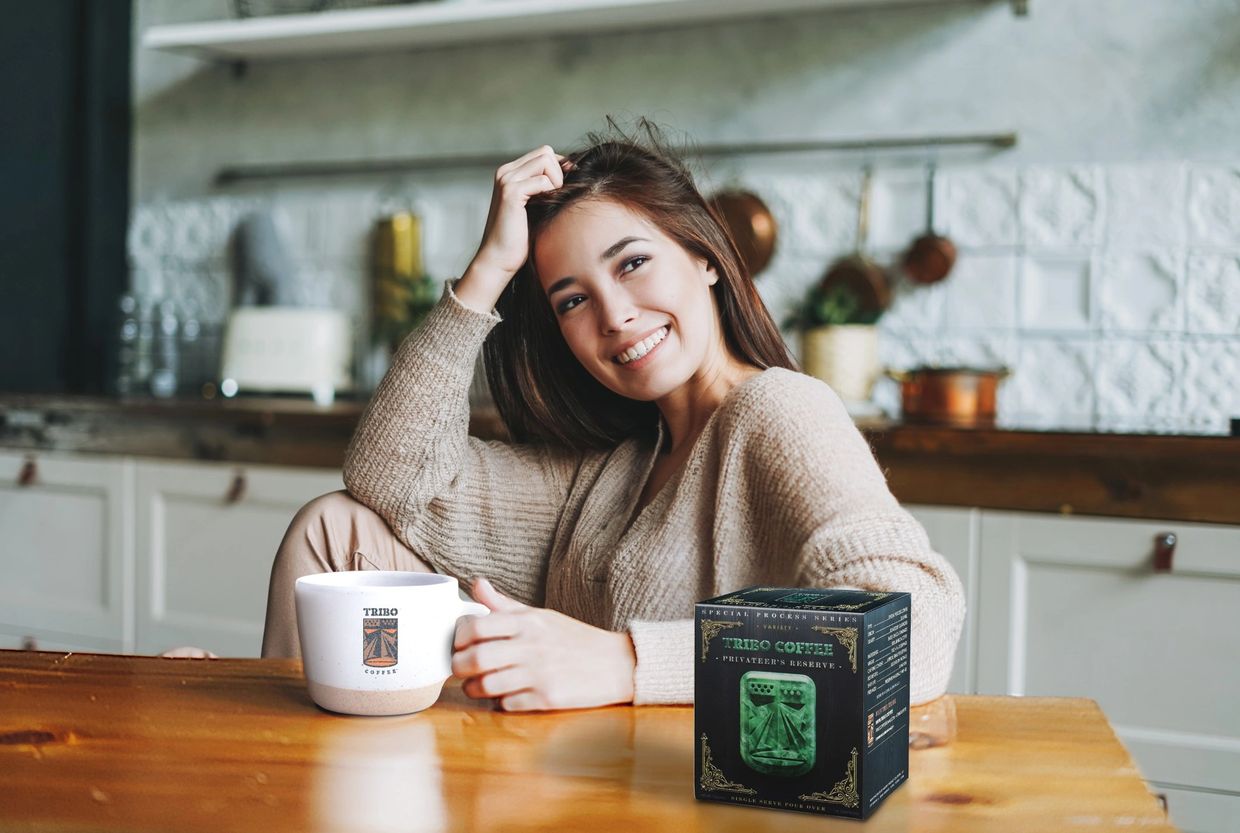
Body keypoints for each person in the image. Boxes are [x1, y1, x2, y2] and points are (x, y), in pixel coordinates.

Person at [261, 118, 966, 712]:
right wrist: (488, 271)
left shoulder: (779, 408)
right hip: (567, 783)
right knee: (334, 525)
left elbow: (910, 634)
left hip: (688, 802)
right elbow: (388, 477)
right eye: (572, 299)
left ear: (705, 256)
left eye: (631, 263)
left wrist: (626, 662)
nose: (615, 316)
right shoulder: (619, 463)